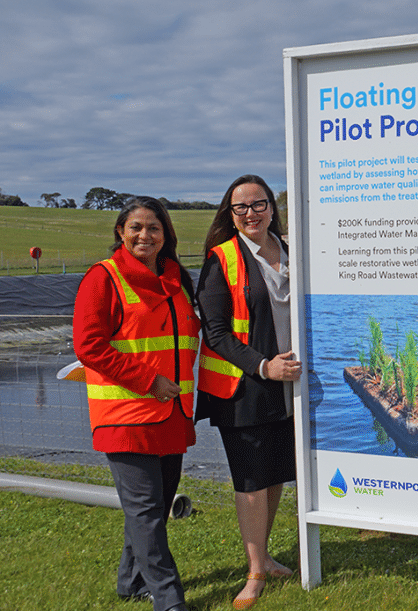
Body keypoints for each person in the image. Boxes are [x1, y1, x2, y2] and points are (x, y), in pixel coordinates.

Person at [73, 197, 199, 611]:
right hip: (126, 414)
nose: (145, 235)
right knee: (146, 511)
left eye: (154, 228)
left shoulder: (177, 279)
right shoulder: (102, 278)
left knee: (156, 508)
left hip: (171, 413)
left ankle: (129, 581)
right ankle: (169, 600)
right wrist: (148, 380)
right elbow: (88, 345)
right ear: (120, 233)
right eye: (136, 228)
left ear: (167, 235)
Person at [196, 174, 301, 610]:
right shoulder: (221, 259)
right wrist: (263, 365)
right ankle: (255, 570)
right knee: (252, 481)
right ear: (230, 214)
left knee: (275, 473)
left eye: (258, 205)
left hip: (289, 384)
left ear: (273, 207)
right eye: (241, 208)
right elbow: (217, 333)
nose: (251, 214)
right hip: (246, 387)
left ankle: (267, 556)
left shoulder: (294, 250)